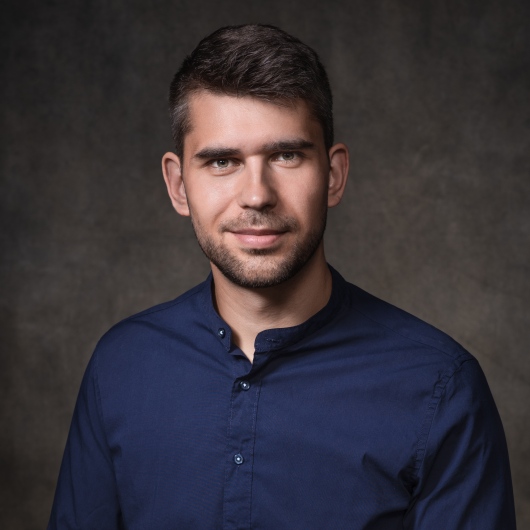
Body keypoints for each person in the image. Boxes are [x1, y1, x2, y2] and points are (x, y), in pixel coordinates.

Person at [48, 24, 516, 529]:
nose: (257, 195)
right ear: (178, 185)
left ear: (333, 175)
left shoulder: (441, 387)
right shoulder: (121, 365)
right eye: (222, 161)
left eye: (286, 156)